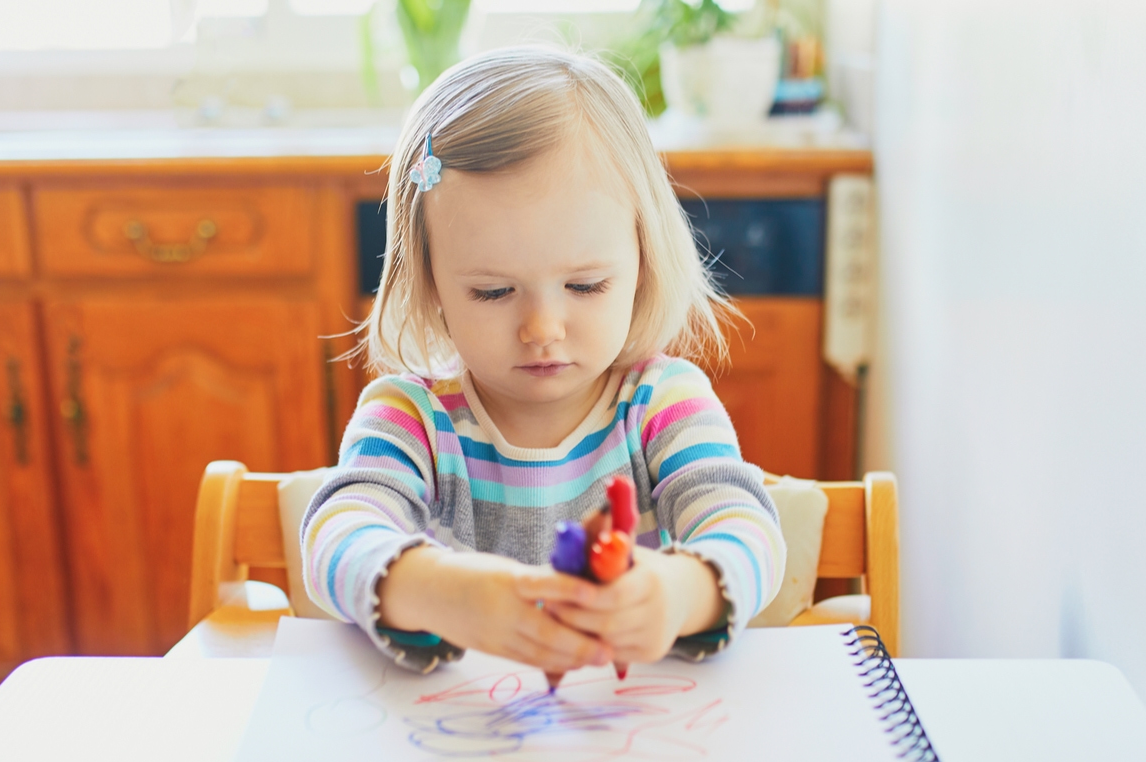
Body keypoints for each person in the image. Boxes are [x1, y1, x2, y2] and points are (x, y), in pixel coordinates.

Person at [302, 46, 784, 675]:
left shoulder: (661, 404)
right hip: (457, 746)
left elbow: (748, 528)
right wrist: (442, 589)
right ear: (430, 283)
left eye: (585, 286)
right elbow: (335, 536)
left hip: (628, 737)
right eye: (493, 292)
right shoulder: (411, 417)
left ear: (642, 264)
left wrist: (677, 593)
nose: (541, 328)